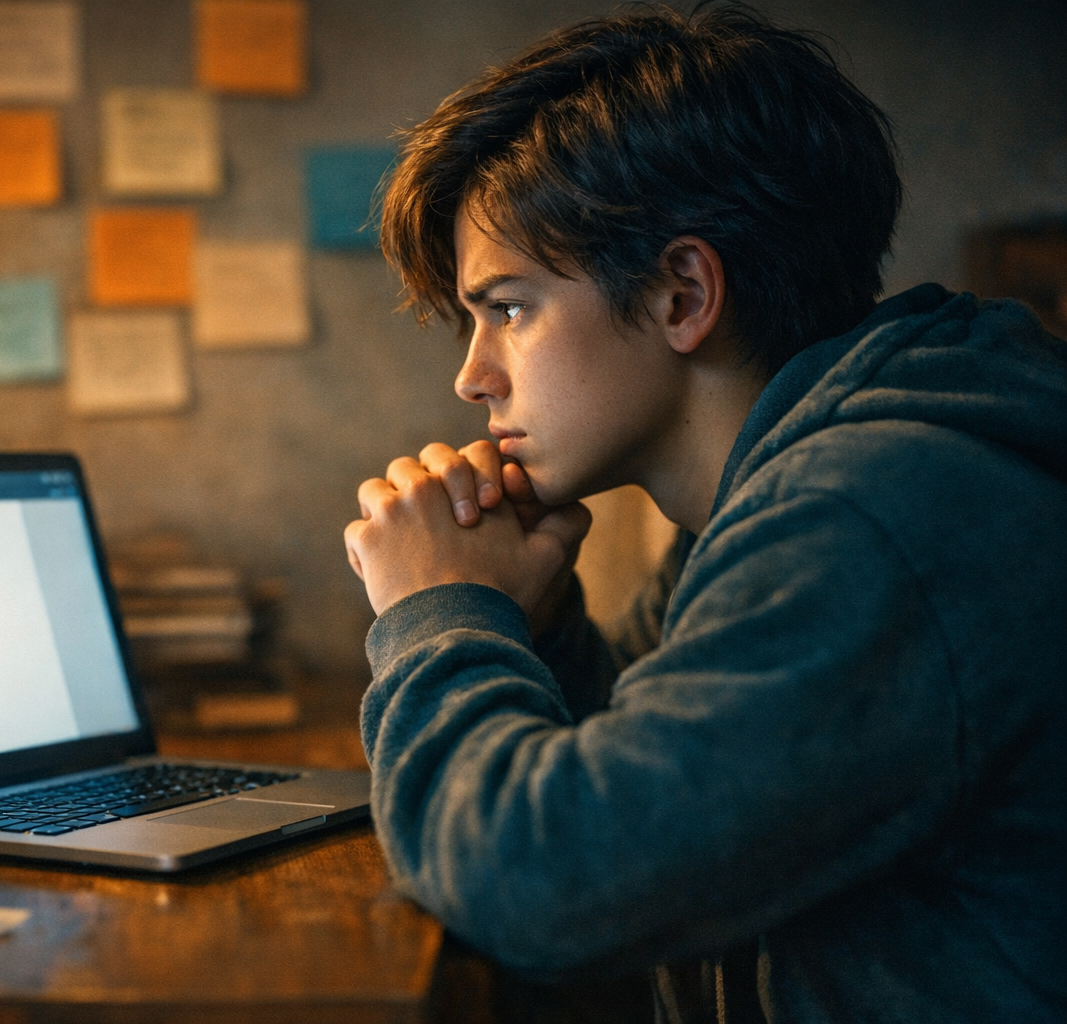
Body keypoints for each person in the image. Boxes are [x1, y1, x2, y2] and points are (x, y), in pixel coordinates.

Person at [342, 4, 1067, 1022]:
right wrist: (535, 621)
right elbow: (651, 785)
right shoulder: (769, 497)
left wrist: (439, 614)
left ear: (684, 294)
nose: (473, 377)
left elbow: (548, 886)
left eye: (509, 308)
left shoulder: (868, 518)